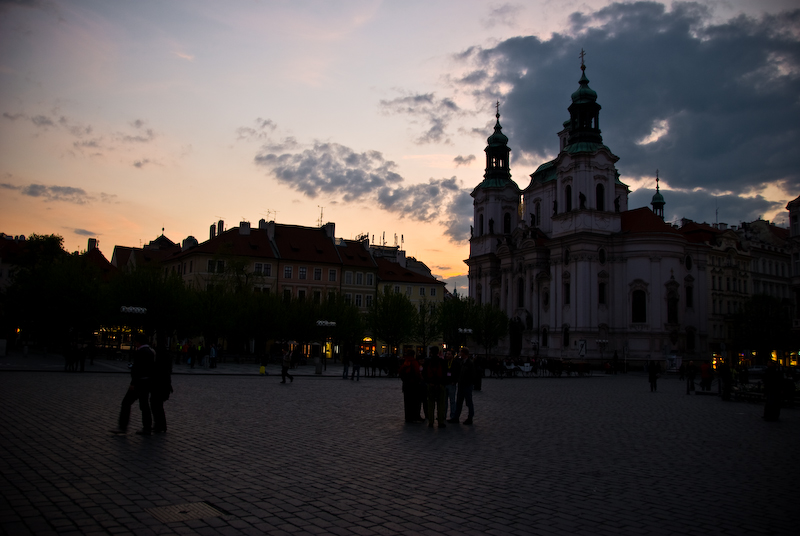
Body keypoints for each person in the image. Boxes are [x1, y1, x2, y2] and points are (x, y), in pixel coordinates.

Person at [110, 333, 155, 435]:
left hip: (139, 382)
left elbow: (137, 369)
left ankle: (123, 426)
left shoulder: (140, 352)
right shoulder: (150, 352)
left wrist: (133, 383)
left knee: (126, 403)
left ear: (138, 342)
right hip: (146, 382)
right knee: (144, 405)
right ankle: (147, 427)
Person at [150, 341, 173, 433]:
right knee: (158, 405)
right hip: (163, 385)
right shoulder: (166, 358)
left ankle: (160, 425)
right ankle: (160, 425)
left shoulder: (160, 361)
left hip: (160, 385)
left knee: (156, 405)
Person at [449, 347, 475, 425]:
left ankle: (470, 418)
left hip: (467, 385)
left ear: (464, 353)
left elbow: (472, 375)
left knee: (469, 402)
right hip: (461, 385)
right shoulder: (462, 362)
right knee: (459, 402)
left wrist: (468, 383)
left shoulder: (470, 363)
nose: (460, 354)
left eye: (461, 352)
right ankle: (456, 418)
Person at [424, 347, 447, 428]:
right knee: (441, 405)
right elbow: (445, 374)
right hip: (440, 385)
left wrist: (428, 383)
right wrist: (442, 383)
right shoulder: (442, 361)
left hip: (430, 385)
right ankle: (440, 422)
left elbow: (424, 373)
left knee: (430, 404)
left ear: (430, 352)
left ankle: (431, 421)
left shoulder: (427, 361)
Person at [398, 348, 423, 423]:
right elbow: (417, 373)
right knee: (416, 401)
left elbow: (400, 372)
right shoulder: (414, 362)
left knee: (407, 401)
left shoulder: (405, 362)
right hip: (414, 385)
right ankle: (415, 416)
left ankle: (408, 417)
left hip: (406, 384)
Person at [444, 349, 460, 422]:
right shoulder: (445, 362)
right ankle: (443, 415)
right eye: (447, 354)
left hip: (451, 384)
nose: (447, 355)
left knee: (452, 401)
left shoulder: (456, 363)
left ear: (452, 355)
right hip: (445, 383)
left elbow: (458, 373)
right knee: (444, 401)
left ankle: (453, 416)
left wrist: (455, 381)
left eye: (449, 354)